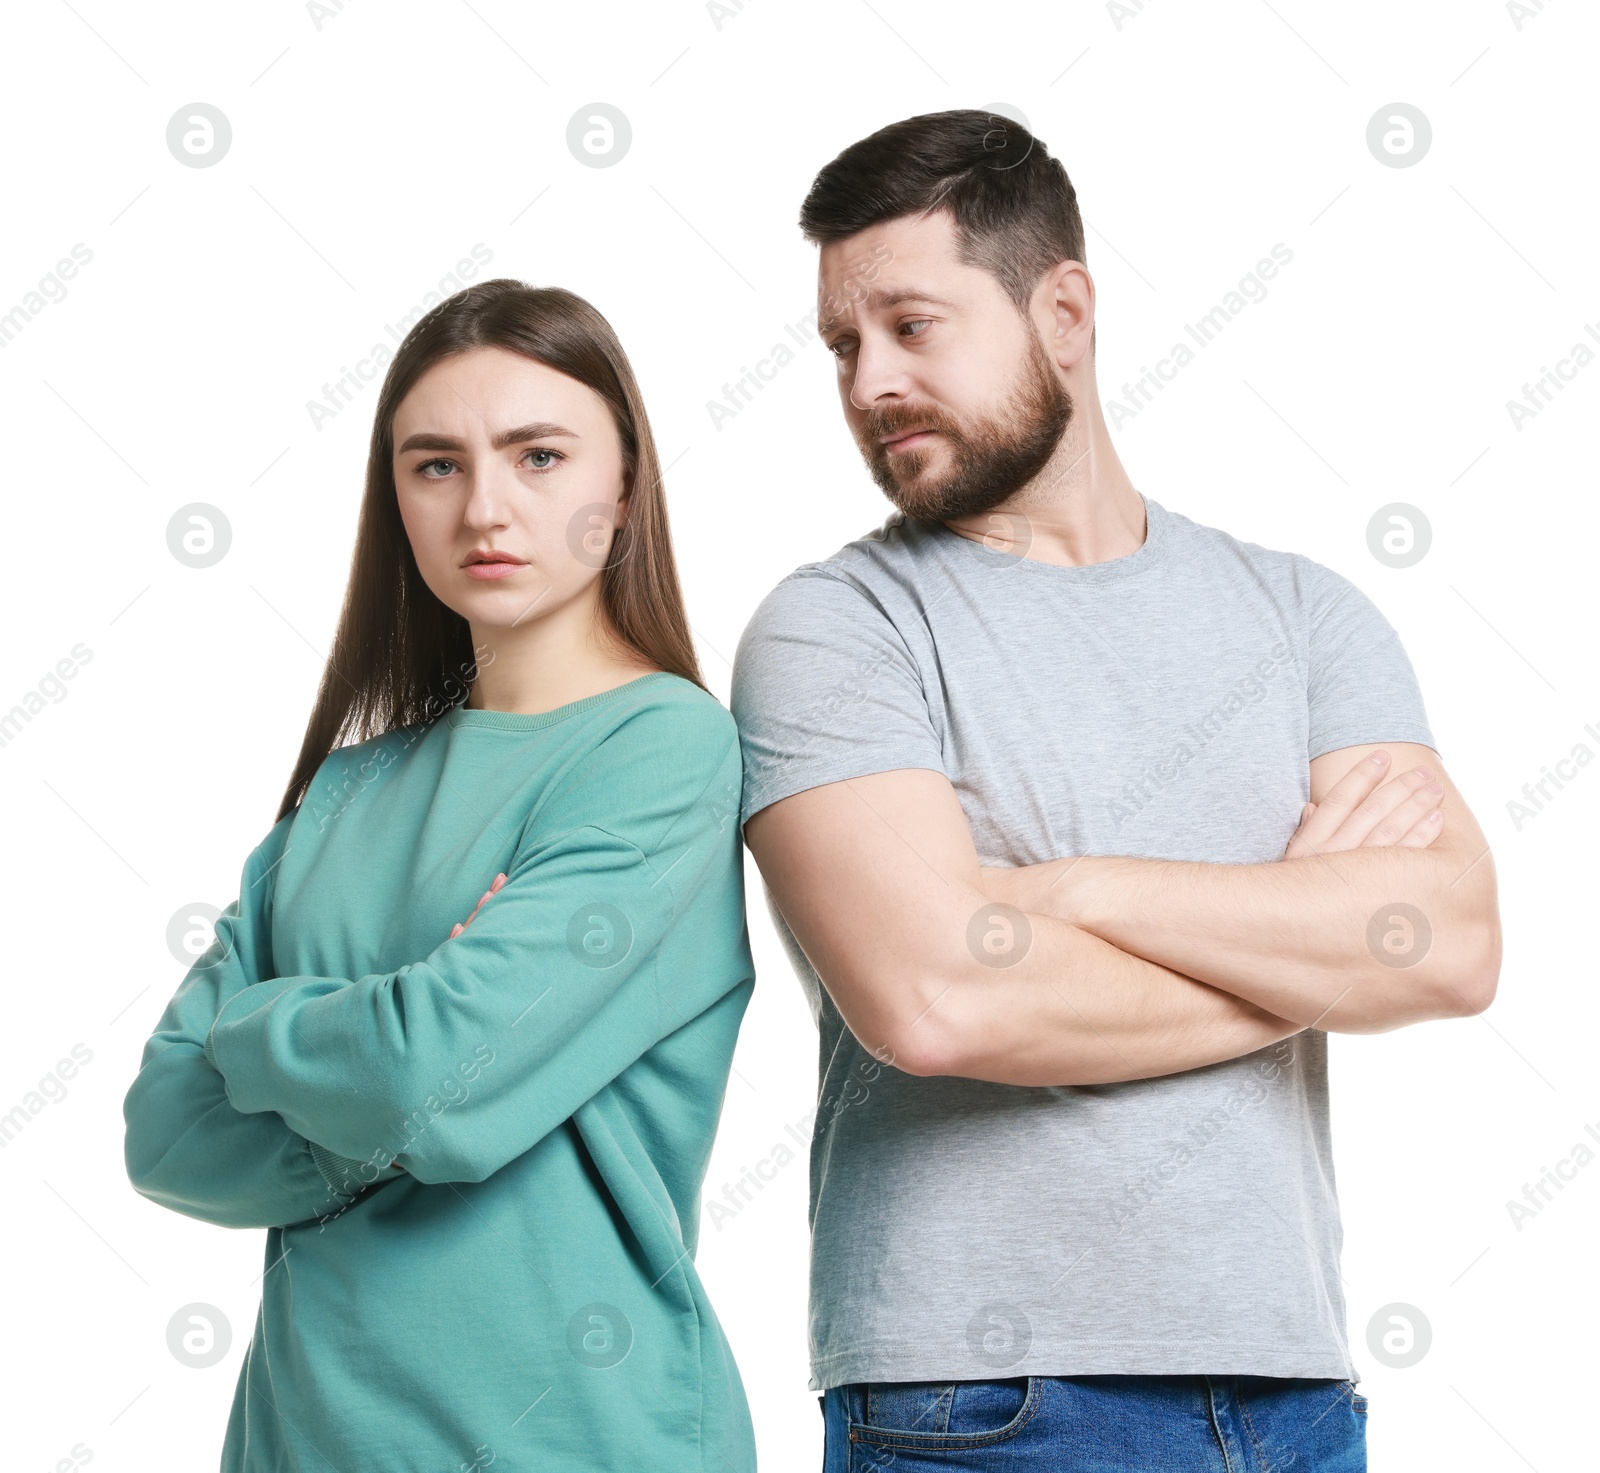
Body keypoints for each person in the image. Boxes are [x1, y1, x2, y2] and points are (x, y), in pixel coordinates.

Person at [730, 109, 1501, 1471]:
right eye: (844, 347)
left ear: (1065, 311)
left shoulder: (1303, 615)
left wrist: (1075, 893)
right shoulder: (836, 630)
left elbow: (1449, 946)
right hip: (982, 1394)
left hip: (1294, 1388)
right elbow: (940, 995)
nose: (869, 383)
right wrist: (1301, 934)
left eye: (912, 326)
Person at [123, 280, 757, 1472]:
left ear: (622, 488)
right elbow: (166, 1135)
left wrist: (256, 1034)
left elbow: (436, 1091)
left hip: (581, 1442)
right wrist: (389, 1063)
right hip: (298, 1443)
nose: (486, 507)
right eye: (435, 465)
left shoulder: (665, 750)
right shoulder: (346, 791)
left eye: (538, 455)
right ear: (395, 499)